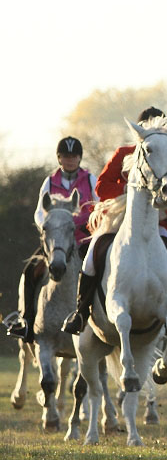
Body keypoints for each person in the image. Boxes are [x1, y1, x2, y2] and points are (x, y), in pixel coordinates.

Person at [61, 107, 167, 335]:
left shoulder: (166, 155)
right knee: (91, 256)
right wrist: (132, 192)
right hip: (120, 221)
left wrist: (165, 211)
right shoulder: (123, 153)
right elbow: (101, 187)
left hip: (155, 224)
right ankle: (81, 312)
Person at [4, 137, 98, 341]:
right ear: (59, 158)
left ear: (80, 158)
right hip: (55, 243)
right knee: (30, 271)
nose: (70, 160)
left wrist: (89, 225)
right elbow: (39, 212)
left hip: (83, 241)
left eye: (74, 156)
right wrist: (46, 228)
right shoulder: (50, 181)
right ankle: (27, 323)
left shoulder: (90, 179)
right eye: (66, 156)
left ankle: (101, 321)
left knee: (100, 270)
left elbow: (99, 207)